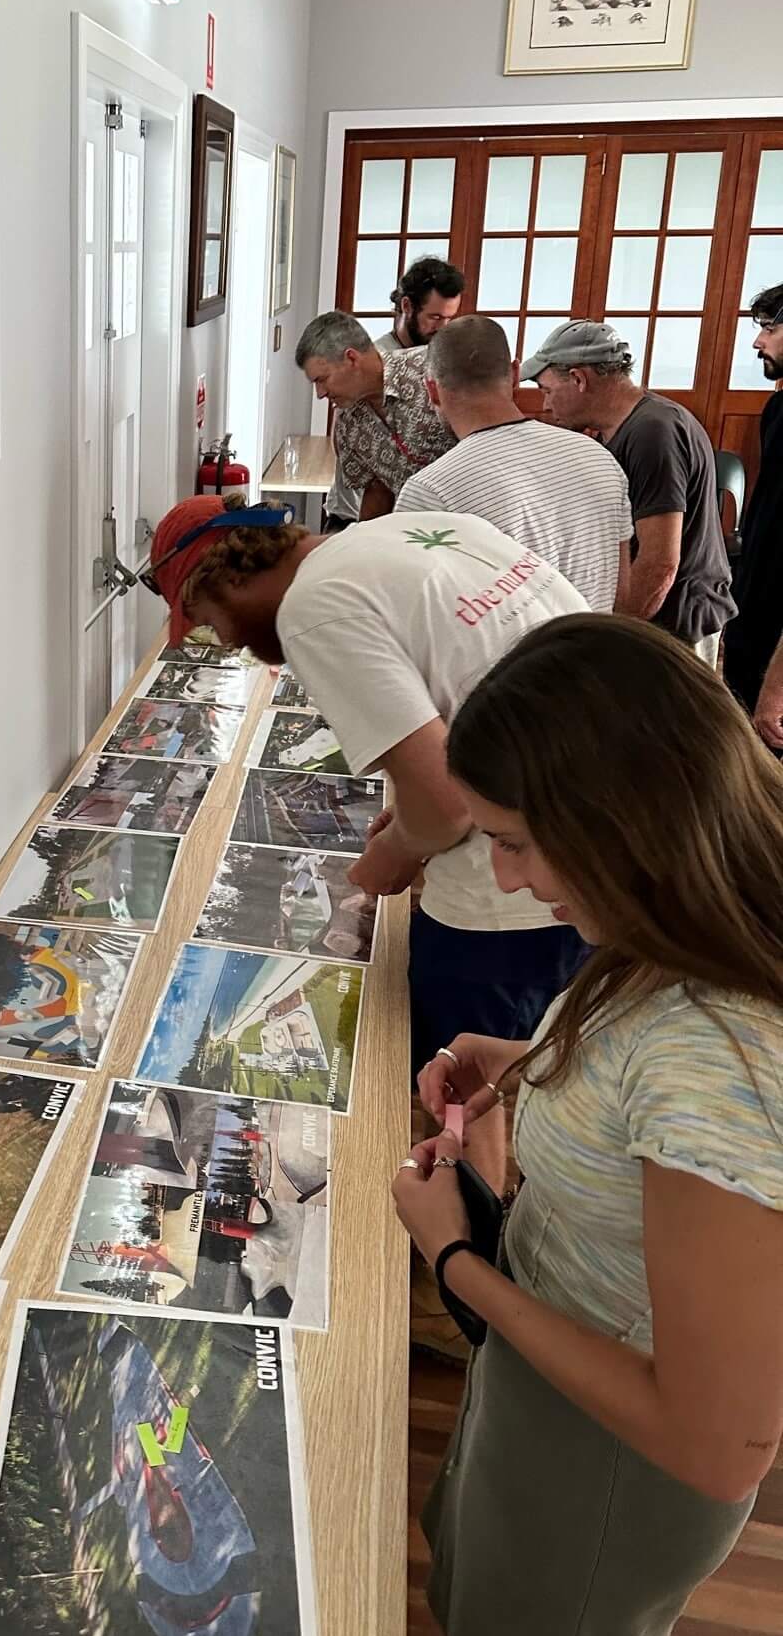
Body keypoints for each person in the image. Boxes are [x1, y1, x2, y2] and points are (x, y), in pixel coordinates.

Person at [364, 616, 783, 1636]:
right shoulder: (681, 922)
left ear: (620, 823)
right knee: (492, 1620)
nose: (502, 881)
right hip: (554, 1382)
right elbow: (638, 1073)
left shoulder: (715, 1068)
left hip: (610, 1460)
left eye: (515, 841)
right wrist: (537, 1063)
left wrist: (456, 1261)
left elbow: (716, 1444)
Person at [146, 494, 587, 1075]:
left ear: (228, 575)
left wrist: (399, 851)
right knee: (526, 1064)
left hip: (514, 895)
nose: (225, 641)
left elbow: (448, 804)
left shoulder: (313, 609)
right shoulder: (412, 531)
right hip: (595, 837)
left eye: (207, 618)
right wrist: (412, 813)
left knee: (464, 1078)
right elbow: (457, 685)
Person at [525, 319, 734, 660]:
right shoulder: (625, 426)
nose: (546, 405)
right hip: (657, 616)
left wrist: (610, 638)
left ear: (578, 379)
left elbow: (660, 562)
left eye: (547, 390)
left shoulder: (654, 432)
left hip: (673, 623)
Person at [396, 316, 633, 612]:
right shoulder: (598, 458)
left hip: (513, 659)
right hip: (596, 647)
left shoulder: (431, 491)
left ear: (431, 389)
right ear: (514, 373)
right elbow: (621, 590)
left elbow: (419, 614)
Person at [320, 257, 465, 532]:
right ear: (407, 307)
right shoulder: (372, 366)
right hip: (355, 520)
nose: (443, 328)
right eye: (434, 317)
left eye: (449, 318)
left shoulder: (438, 362)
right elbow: (345, 446)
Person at [298, 310, 453, 523]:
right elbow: (377, 489)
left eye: (322, 379)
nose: (320, 393)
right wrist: (365, 541)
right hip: (418, 533)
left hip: (480, 516)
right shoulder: (347, 425)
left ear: (351, 358)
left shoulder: (429, 368)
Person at [724, 281, 783, 750]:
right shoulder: (778, 407)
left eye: (769, 328)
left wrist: (778, 686)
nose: (757, 341)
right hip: (755, 613)